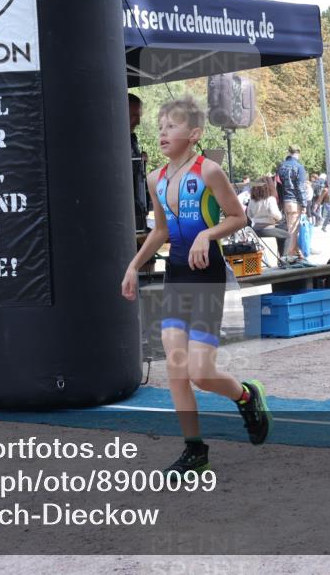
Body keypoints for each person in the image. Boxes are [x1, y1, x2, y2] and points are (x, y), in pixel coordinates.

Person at [121, 95, 271, 476]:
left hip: (206, 276)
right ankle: (194, 449)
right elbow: (160, 231)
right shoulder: (156, 178)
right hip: (176, 275)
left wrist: (208, 233)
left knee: (201, 373)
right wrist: (133, 266)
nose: (162, 133)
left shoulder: (209, 172)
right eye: (160, 127)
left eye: (171, 126)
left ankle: (246, 395)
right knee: (176, 366)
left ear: (194, 134)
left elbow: (238, 217)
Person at [276, 145, 309, 259]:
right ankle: (289, 256)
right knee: (293, 230)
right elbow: (300, 186)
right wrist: (304, 203)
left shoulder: (281, 166)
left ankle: (296, 252)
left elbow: (278, 186)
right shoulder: (299, 167)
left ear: (289, 152)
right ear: (298, 153)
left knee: (290, 228)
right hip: (295, 201)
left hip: (285, 201)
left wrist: (280, 202)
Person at [247, 181, 288, 256]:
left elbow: (249, 215)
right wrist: (278, 218)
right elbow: (276, 215)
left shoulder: (252, 200)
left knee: (280, 232)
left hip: (255, 229)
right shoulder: (270, 199)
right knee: (287, 235)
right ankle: (284, 258)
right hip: (267, 228)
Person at [128, 93, 149, 232]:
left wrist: (141, 160)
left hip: (138, 206)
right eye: (134, 116)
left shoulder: (132, 138)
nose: (138, 122)